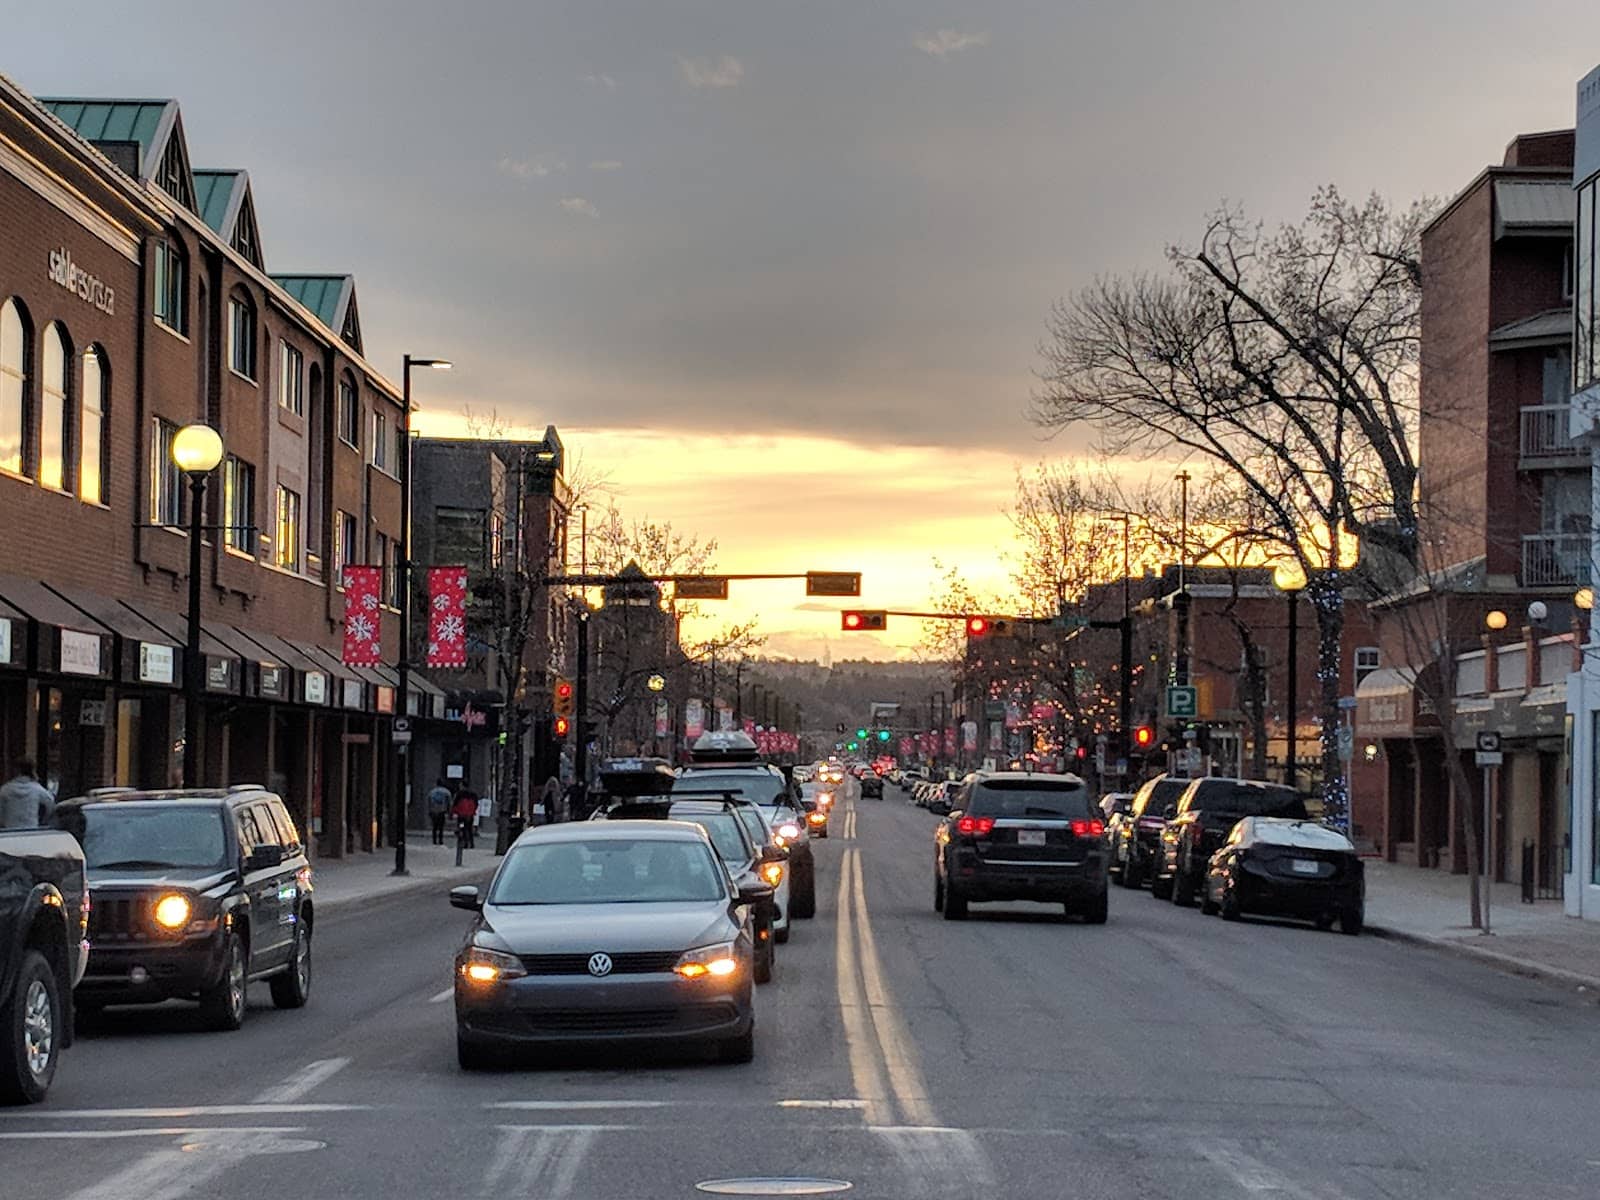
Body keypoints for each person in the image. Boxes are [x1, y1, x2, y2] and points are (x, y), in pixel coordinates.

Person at [0, 759, 55, 830]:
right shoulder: (36, 788)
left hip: (10, 831)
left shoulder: (5, 789)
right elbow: (51, 804)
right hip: (31, 830)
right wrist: (44, 821)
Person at [426, 778, 452, 845]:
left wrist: (429, 810)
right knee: (441, 827)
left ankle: (434, 840)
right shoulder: (446, 792)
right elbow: (449, 802)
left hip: (433, 810)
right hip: (442, 810)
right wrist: (449, 811)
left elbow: (429, 801)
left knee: (434, 827)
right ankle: (440, 840)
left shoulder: (432, 792)